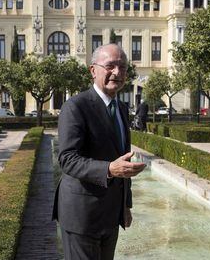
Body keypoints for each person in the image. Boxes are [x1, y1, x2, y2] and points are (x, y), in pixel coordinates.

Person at [52, 44, 146, 260]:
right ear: (93, 70)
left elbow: (123, 156)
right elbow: (67, 159)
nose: (117, 72)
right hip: (82, 215)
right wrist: (109, 169)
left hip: (111, 215)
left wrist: (126, 206)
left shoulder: (121, 108)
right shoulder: (76, 107)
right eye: (110, 66)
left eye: (122, 67)